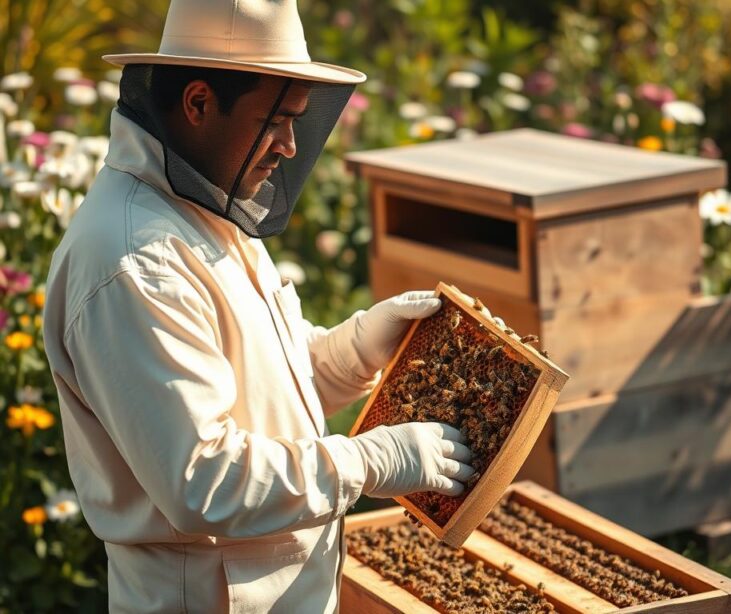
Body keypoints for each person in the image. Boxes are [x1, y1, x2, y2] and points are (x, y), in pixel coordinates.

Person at [42, 0, 475, 612]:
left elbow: (260, 395)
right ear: (198, 104)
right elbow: (203, 481)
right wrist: (373, 459)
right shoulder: (137, 261)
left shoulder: (200, 210)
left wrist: (353, 349)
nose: (291, 146)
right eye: (276, 119)